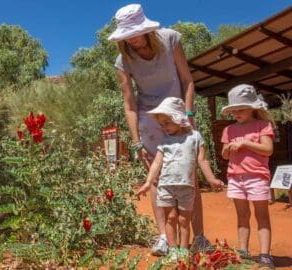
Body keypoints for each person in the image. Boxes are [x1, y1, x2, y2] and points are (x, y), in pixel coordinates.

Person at [108, 3, 209, 255]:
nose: (131, 39)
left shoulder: (170, 40)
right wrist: (136, 141)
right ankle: (164, 236)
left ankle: (200, 237)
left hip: (178, 113)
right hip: (148, 117)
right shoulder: (123, 61)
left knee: (189, 175)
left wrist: (188, 116)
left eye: (135, 33)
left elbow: (187, 81)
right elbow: (129, 103)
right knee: (156, 178)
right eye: (126, 35)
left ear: (147, 29)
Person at [136, 97, 224, 259]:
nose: (164, 127)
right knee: (171, 218)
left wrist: (211, 179)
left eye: (167, 122)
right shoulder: (164, 142)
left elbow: (202, 160)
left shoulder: (195, 137)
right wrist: (148, 182)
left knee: (184, 220)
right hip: (166, 186)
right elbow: (156, 164)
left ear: (178, 117)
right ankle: (173, 248)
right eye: (162, 124)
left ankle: (183, 249)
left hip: (186, 187)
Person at [220, 84, 275, 269]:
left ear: (252, 108)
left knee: (262, 216)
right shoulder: (228, 130)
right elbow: (224, 155)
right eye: (233, 110)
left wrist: (245, 143)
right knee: (242, 216)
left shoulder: (263, 125)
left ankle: (265, 255)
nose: (236, 113)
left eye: (241, 109)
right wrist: (228, 148)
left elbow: (268, 149)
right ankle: (243, 251)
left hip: (257, 177)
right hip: (236, 178)